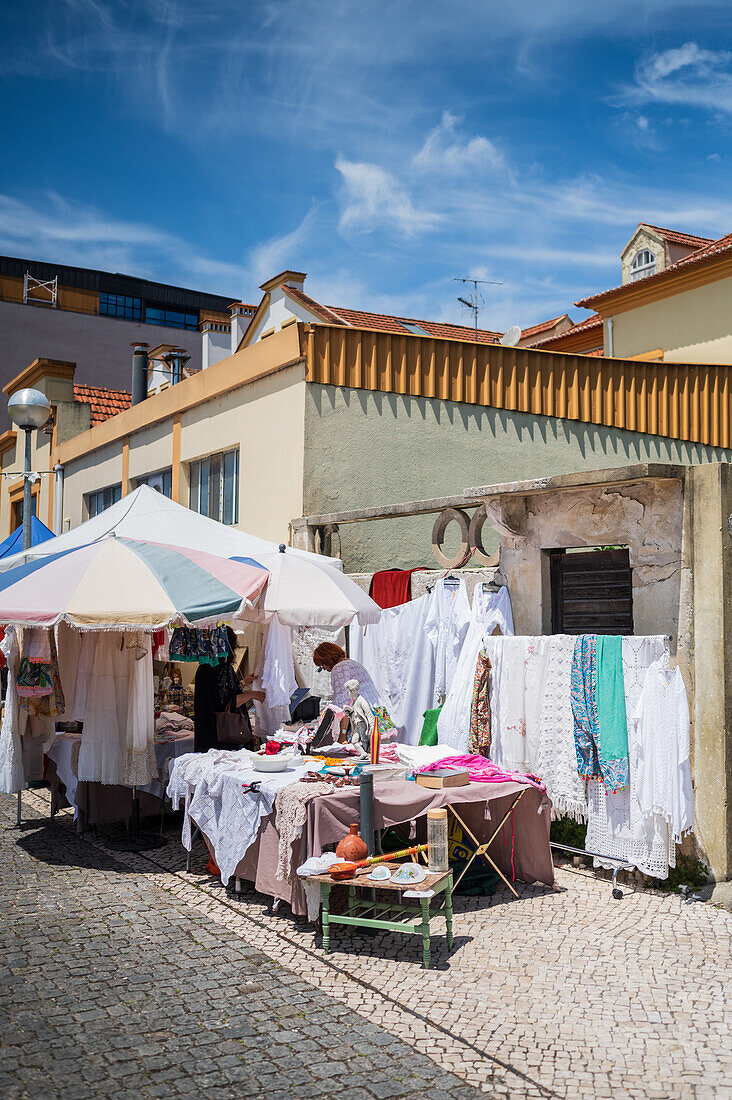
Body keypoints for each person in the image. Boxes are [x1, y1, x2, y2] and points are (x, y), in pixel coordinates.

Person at [194, 627, 265, 753]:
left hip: (206, 733)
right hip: (223, 738)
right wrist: (252, 694)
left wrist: (242, 683)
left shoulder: (203, 668)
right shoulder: (223, 668)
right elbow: (227, 703)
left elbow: (217, 694)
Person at [312, 642, 381, 711]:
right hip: (375, 711)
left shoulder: (339, 668)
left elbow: (345, 704)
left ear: (327, 659)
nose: (323, 668)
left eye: (322, 665)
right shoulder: (354, 663)